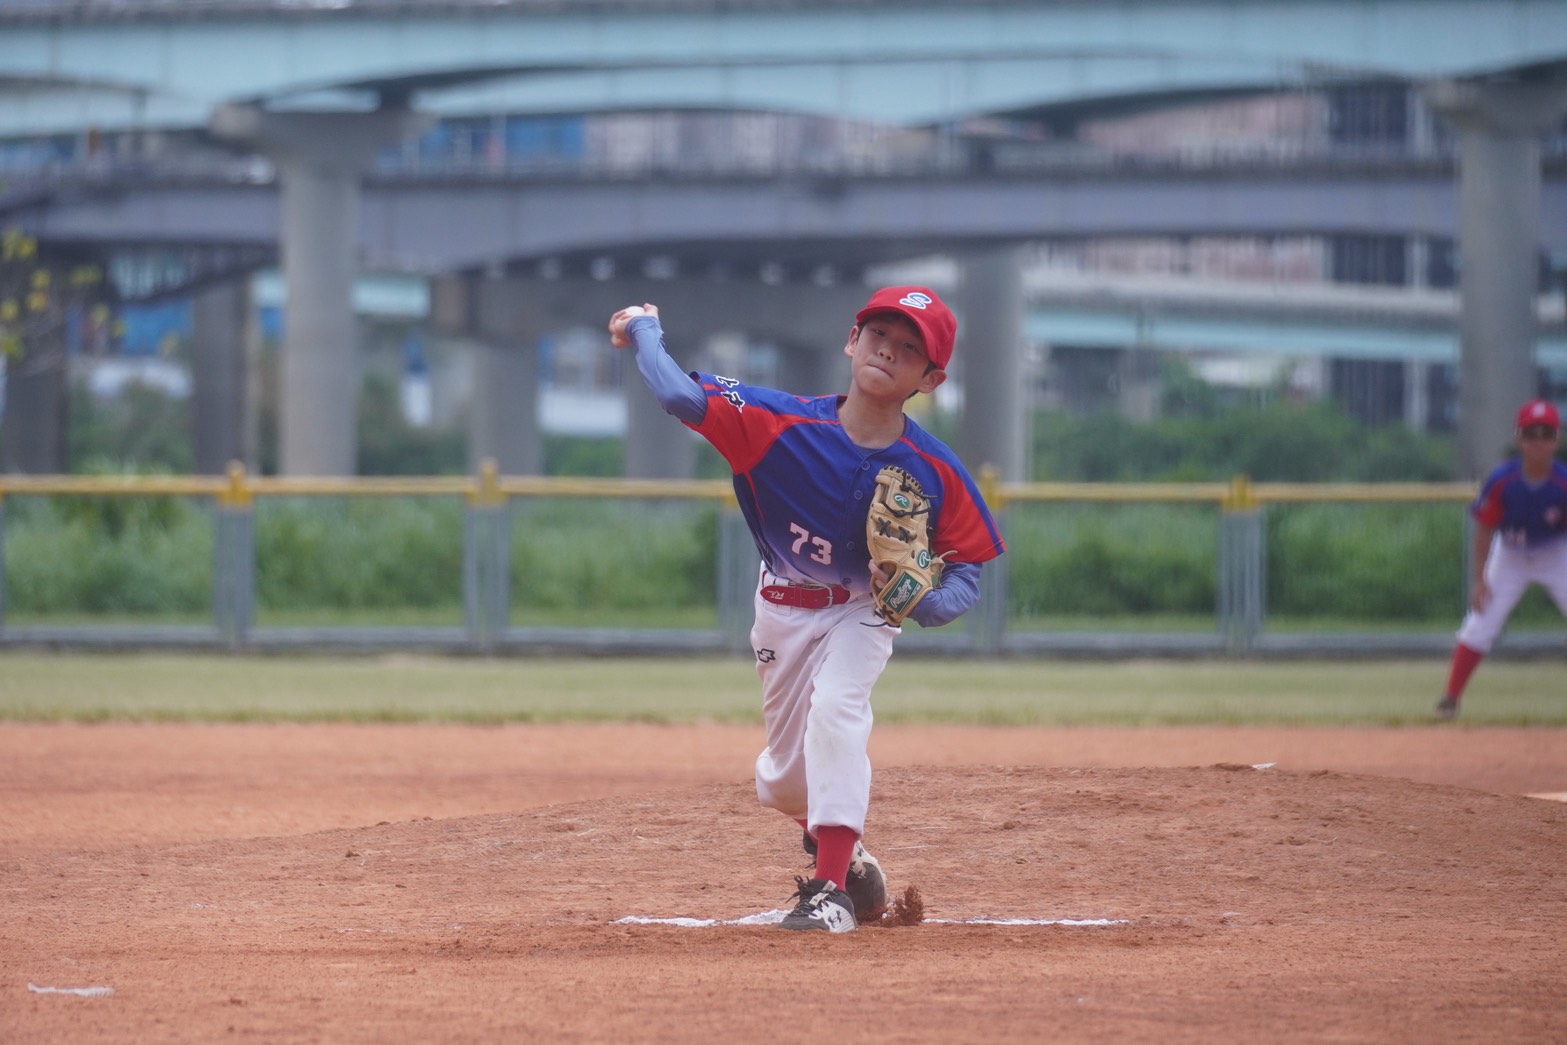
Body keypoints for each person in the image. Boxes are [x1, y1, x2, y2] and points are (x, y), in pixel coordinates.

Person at [608, 286, 1006, 932]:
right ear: (852, 340)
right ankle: (851, 864)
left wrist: (925, 602)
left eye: (909, 350)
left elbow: (969, 572)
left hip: (862, 608)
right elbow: (680, 395)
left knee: (837, 710)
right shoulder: (778, 422)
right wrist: (646, 329)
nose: (888, 351)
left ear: (929, 378)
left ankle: (828, 893)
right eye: (880, 335)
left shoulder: (937, 469)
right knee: (784, 783)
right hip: (781, 605)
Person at [1436, 399, 1567, 719]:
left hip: (1556, 553)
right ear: (1519, 438)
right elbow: (1484, 531)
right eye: (1531, 433)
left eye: (1546, 433)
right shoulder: (1502, 480)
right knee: (1480, 624)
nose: (1538, 441)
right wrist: (1481, 579)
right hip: (1509, 555)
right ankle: (1450, 700)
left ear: (1557, 439)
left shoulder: (1563, 482)